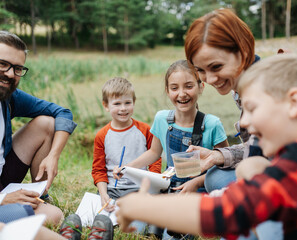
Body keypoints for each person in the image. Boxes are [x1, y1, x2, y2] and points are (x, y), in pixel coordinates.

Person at [115, 54, 297, 240]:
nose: (242, 122)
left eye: (252, 108)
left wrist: (142, 206)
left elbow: (226, 212)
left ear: (294, 103)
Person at [183, 8, 280, 239]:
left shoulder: (264, 90)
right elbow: (256, 145)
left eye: (216, 67)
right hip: (271, 169)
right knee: (214, 176)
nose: (210, 79)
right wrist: (219, 156)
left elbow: (267, 159)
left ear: (243, 51)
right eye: (201, 71)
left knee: (233, 210)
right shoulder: (243, 85)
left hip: (291, 178)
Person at [113, 60, 228, 239]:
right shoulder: (161, 119)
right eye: (174, 88)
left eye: (188, 86)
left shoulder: (212, 124)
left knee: (172, 235)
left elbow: (225, 165)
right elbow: (154, 152)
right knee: (137, 227)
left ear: (201, 87)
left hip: (196, 190)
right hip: (167, 186)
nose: (181, 94)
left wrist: (196, 183)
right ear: (167, 91)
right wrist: (128, 167)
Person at [0, 31, 77, 225]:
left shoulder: (9, 97)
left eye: (17, 68)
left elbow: (62, 113)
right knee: (54, 216)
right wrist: (3, 200)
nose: (10, 74)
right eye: (2, 64)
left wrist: (53, 156)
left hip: (3, 179)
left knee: (46, 123)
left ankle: (38, 194)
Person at [92, 77, 161, 233]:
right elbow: (98, 170)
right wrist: (104, 194)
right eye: (117, 104)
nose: (123, 108)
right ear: (106, 106)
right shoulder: (102, 135)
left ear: (134, 103)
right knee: (101, 218)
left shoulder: (145, 130)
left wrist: (150, 187)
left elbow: (155, 160)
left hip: (139, 188)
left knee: (138, 226)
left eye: (127, 103)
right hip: (112, 190)